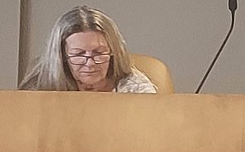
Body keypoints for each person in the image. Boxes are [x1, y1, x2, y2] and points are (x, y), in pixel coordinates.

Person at [19, 6, 157, 93]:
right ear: (62, 56)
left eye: (99, 53)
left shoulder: (135, 88)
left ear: (113, 52)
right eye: (78, 54)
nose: (90, 63)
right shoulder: (39, 87)